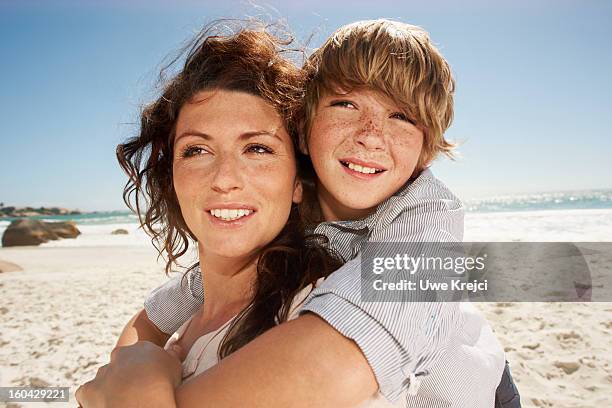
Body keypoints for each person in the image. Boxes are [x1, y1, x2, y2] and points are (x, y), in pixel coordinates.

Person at [78, 19, 520, 407]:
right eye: (346, 104)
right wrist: (134, 359)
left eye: (402, 117)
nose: (370, 135)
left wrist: (138, 388)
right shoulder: (283, 205)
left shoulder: (428, 217)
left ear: (426, 152)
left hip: (482, 387)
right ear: (305, 132)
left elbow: (338, 364)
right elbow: (179, 299)